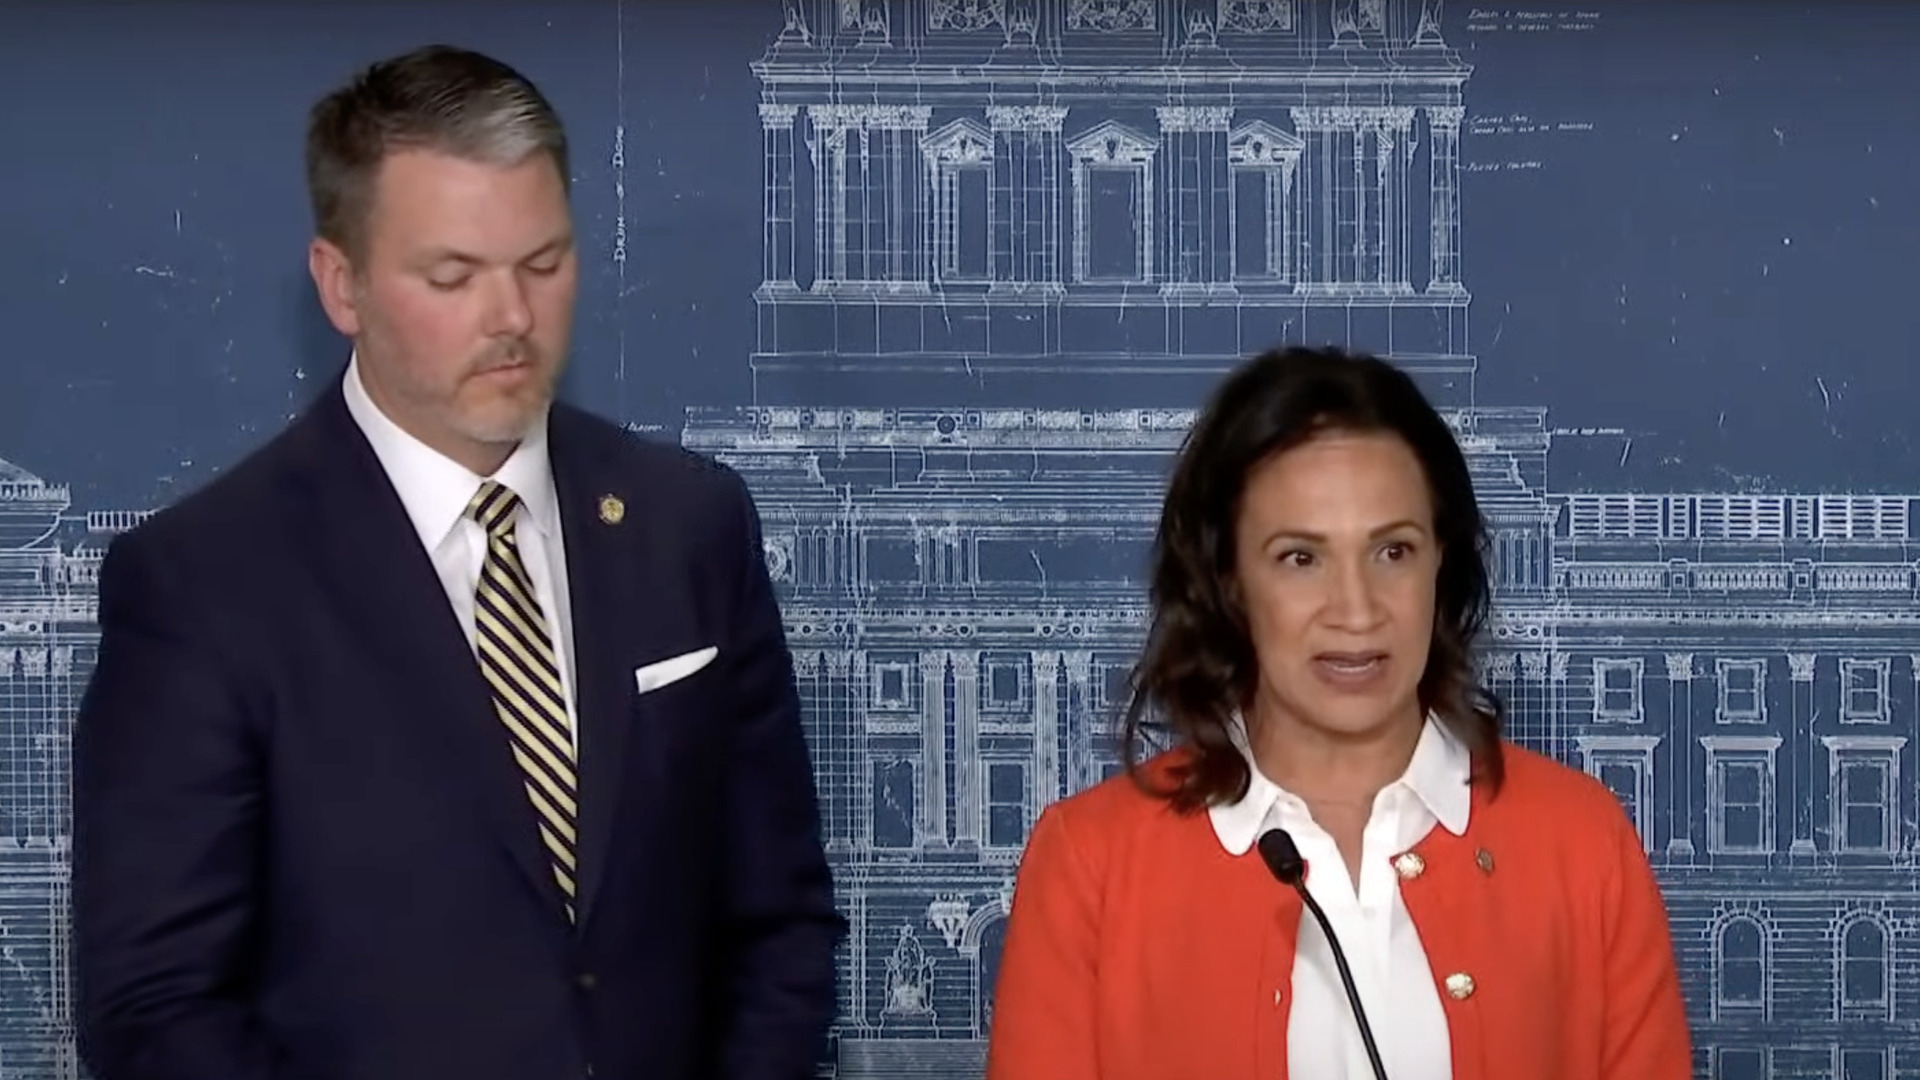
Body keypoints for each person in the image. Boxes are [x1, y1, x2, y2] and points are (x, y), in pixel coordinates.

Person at [70, 44, 845, 1080]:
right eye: (454, 276)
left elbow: (779, 925)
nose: (513, 318)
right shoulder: (205, 583)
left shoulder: (690, 524)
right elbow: (157, 1008)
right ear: (341, 286)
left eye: (543, 263)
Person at [984, 346, 1691, 1080]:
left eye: (1393, 552)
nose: (1357, 612)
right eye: (1300, 558)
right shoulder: (1092, 864)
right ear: (1227, 578)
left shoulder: (1582, 845)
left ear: (1441, 563)